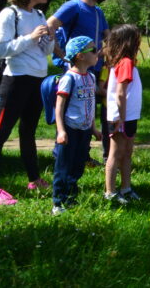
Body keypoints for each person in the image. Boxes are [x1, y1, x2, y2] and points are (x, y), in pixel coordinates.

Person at [0, 0, 53, 205]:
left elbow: (43, 51)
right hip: (15, 80)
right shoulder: (9, 14)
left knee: (28, 132)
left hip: (37, 79)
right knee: (0, 134)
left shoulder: (39, 15)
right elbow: (0, 49)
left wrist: (47, 40)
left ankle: (34, 179)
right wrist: (30, 38)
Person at [47, 0, 112, 166]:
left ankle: (83, 155)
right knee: (71, 114)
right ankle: (63, 153)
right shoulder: (73, 6)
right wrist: (63, 57)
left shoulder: (98, 12)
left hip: (94, 71)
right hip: (75, 72)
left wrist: (107, 53)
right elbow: (50, 25)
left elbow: (108, 37)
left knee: (87, 112)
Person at [52, 36, 102, 215]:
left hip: (85, 130)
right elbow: (59, 106)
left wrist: (94, 128)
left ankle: (70, 197)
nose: (98, 53)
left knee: (78, 165)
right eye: (94, 50)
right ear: (80, 56)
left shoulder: (90, 77)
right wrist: (61, 131)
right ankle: (58, 202)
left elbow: (91, 103)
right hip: (70, 129)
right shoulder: (69, 78)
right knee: (64, 166)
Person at [103, 24, 143, 203]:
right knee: (116, 153)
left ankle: (126, 189)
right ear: (130, 42)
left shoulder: (126, 62)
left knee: (127, 152)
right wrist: (121, 117)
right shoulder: (125, 62)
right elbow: (120, 93)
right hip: (121, 117)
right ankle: (110, 192)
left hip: (129, 116)